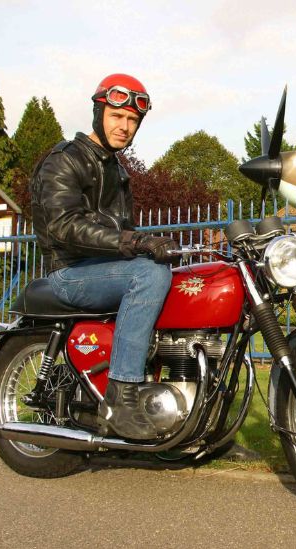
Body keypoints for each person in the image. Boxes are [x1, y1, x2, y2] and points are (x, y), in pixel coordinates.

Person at [30, 74, 175, 440]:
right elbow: (64, 226)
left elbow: (122, 233)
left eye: (132, 121)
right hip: (70, 271)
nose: (125, 127)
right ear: (99, 112)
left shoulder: (117, 171)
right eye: (117, 116)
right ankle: (121, 399)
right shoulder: (64, 160)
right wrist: (133, 243)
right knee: (149, 276)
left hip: (104, 270)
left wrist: (152, 246)